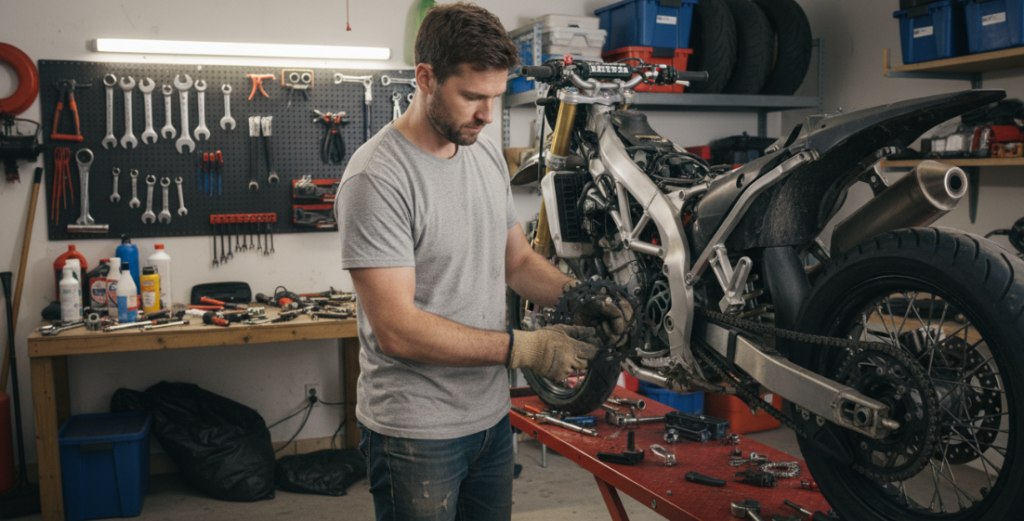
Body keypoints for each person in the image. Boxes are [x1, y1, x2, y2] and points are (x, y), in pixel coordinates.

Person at [335, 3, 628, 519]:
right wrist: (529, 349)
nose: (486, 114)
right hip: (416, 432)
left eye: (494, 96)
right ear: (425, 78)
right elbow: (397, 330)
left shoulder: (483, 150)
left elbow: (514, 261)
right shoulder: (376, 179)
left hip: (491, 419)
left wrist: (579, 298)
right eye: (472, 96)